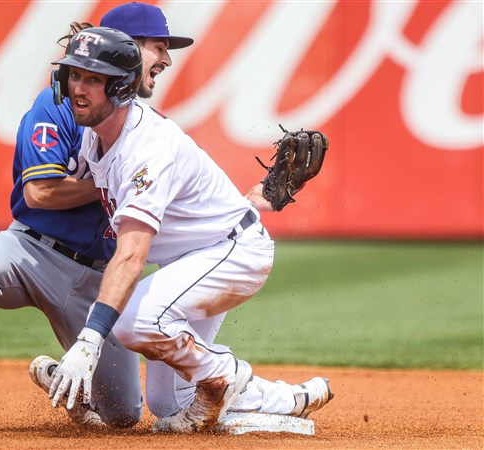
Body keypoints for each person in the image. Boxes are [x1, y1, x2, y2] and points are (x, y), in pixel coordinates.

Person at [43, 26, 334, 433]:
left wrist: (90, 340)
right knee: (168, 403)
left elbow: (131, 255)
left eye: (93, 78)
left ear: (122, 86)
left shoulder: (144, 148)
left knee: (132, 321)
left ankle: (226, 374)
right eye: (74, 74)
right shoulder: (97, 139)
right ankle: (289, 399)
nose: (78, 87)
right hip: (197, 256)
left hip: (232, 252)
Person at [0, 2, 194, 433]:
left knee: (123, 415)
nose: (165, 59)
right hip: (33, 250)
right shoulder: (61, 105)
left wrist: (255, 201)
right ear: (126, 48)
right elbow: (39, 192)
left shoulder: (149, 128)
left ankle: (56, 378)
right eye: (157, 47)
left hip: (97, 279)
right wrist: (113, 183)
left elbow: (179, 205)